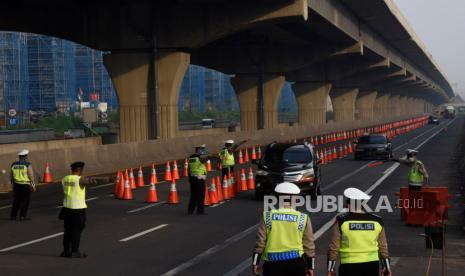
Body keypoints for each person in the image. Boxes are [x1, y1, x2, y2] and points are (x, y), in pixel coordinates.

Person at [252, 182, 315, 276]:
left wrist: (255, 263)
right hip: (296, 264)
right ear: (296, 199)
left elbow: (260, 242)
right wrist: (310, 266)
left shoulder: (267, 216)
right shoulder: (303, 218)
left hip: (272, 264)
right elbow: (309, 245)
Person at [327, 188, 391, 276]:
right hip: (372, 265)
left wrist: (330, 269)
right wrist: (387, 268)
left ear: (349, 205)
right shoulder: (377, 221)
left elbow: (333, 247)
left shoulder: (342, 221)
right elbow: (383, 247)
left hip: (349, 266)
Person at [59, 161, 94, 258]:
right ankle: (74, 251)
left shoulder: (64, 179)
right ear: (80, 170)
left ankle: (66, 251)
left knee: (67, 231)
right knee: (77, 230)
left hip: (66, 208)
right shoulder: (80, 179)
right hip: (77, 209)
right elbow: (90, 181)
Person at [10, 149, 35, 221]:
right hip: (25, 185)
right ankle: (22, 216)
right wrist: (33, 186)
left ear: (19, 157)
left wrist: (13, 185)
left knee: (16, 200)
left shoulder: (13, 164)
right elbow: (31, 176)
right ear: (25, 156)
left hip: (16, 185)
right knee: (25, 201)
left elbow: (11, 176)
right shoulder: (27, 165)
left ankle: (13, 216)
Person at [187, 144, 208, 215]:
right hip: (200, 178)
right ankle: (200, 211)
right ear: (199, 150)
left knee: (193, 195)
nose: (203, 150)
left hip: (192, 178)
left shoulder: (191, 158)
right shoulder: (200, 157)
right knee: (201, 195)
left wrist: (189, 178)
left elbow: (189, 169)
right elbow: (205, 157)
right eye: (202, 149)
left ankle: (190, 211)